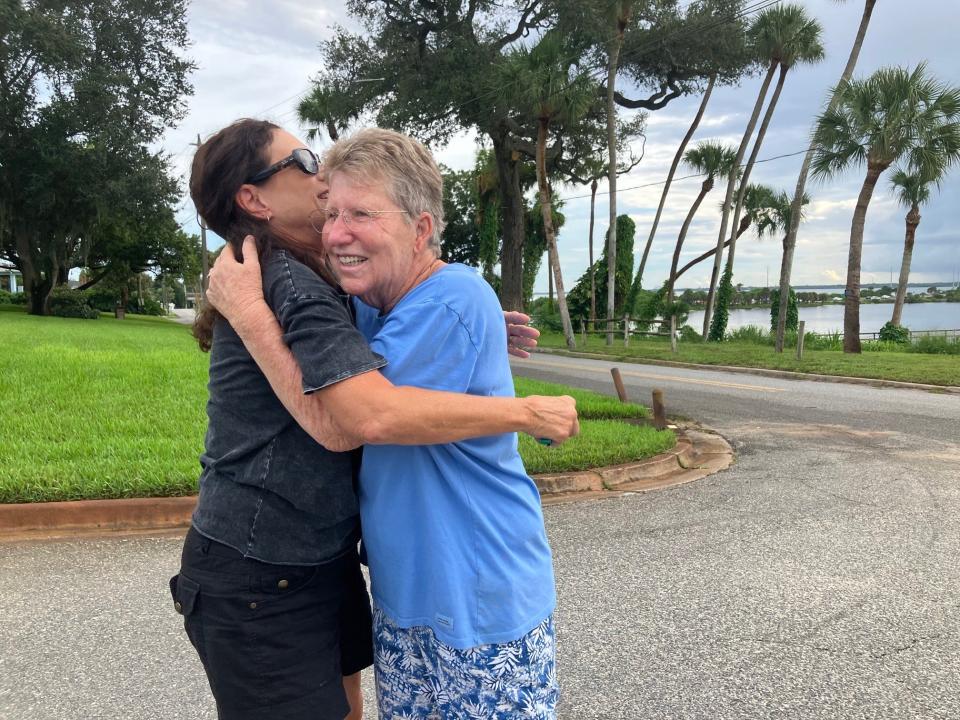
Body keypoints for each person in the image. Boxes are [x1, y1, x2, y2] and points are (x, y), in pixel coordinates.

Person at [170, 118, 578, 720]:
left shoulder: (367, 296)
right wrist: (518, 403)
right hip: (370, 584)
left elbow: (365, 414)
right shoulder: (331, 295)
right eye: (328, 200)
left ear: (421, 230)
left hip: (465, 594)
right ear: (253, 198)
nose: (335, 225)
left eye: (359, 213)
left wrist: (481, 325)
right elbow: (361, 412)